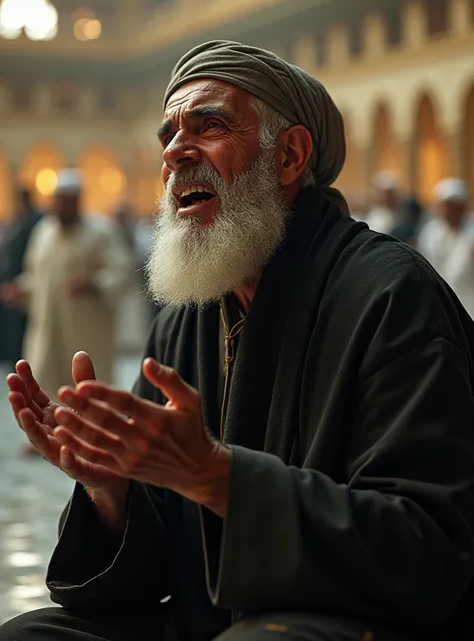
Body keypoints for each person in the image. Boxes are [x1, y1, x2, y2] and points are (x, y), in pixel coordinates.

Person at [2, 41, 474, 641]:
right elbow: (164, 551)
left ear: (290, 156)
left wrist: (217, 478)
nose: (174, 152)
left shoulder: (387, 295)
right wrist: (108, 485)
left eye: (209, 125)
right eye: (168, 135)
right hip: (215, 621)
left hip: (353, 620)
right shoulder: (186, 317)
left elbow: (427, 550)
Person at [1, 168, 132, 400]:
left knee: (87, 391)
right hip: (47, 333)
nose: (62, 206)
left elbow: (121, 271)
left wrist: (93, 284)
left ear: (78, 200)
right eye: (59, 200)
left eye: (68, 200)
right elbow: (36, 277)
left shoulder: (101, 233)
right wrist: (20, 290)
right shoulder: (43, 233)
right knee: (44, 390)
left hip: (85, 332)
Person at [418, 178, 474, 319]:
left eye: (453, 206)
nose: (448, 211)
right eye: (445, 206)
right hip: (443, 309)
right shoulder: (430, 232)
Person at [0, 187, 42, 369]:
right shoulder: (19, 220)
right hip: (13, 286)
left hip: (24, 286)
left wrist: (20, 285)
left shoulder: (35, 221)